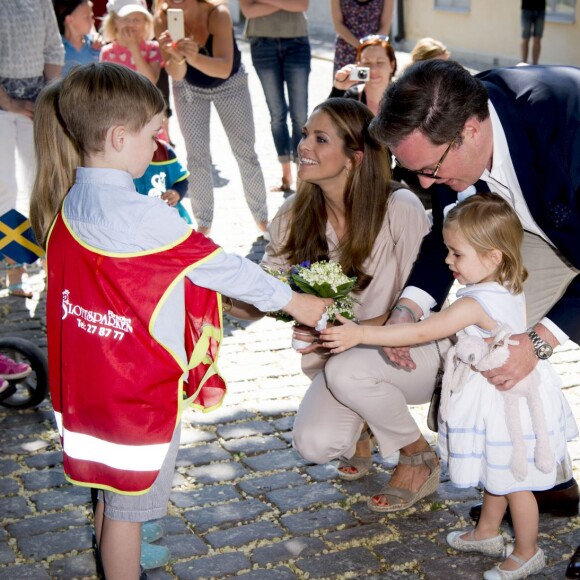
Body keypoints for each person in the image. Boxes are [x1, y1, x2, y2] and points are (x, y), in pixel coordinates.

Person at [29, 63, 330, 580]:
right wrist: (299, 303)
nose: (159, 142)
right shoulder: (147, 217)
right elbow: (227, 269)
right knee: (129, 511)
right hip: (135, 396)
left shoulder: (72, 199)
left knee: (111, 492)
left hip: (87, 389)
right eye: (153, 132)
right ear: (120, 137)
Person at [321, 193, 577, 580]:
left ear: (492, 257)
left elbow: (423, 329)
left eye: (457, 254)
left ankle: (527, 551)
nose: (447, 261)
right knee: (498, 467)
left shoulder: (475, 304)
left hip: (501, 397)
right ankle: (488, 531)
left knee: (515, 482)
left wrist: (359, 334)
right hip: (504, 390)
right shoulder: (506, 282)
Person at [369, 60, 580, 515]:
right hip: (532, 228)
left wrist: (540, 342)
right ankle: (548, 481)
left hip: (565, 207)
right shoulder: (448, 120)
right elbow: (447, 231)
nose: (425, 184)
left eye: (429, 168)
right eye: (413, 174)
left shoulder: (565, 126)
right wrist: (408, 308)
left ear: (470, 131)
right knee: (496, 349)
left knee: (529, 348)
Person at [229, 98, 431, 486]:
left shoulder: (399, 207)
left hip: (410, 351)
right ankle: (363, 427)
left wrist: (356, 333)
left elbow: (425, 299)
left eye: (320, 139)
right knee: (315, 443)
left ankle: (417, 454)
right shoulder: (292, 214)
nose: (303, 146)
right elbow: (261, 298)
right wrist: (218, 295)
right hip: (335, 361)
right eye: (306, 134)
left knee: (347, 365)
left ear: (355, 157)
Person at [154, 0, 269, 237]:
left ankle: (263, 220)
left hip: (230, 84)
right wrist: (177, 57)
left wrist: (192, 56)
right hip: (188, 87)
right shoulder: (162, 18)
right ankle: (203, 226)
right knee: (197, 157)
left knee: (245, 151)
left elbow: (224, 68)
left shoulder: (218, 13)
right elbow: (176, 73)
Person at [0, 0, 64, 297]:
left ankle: (54, 266)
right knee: (5, 189)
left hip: (35, 106)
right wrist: (10, 103)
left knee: (41, 187)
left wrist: (47, 96)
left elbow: (53, 47)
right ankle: (13, 271)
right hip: (2, 107)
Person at [240, 0, 311, 193]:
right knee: (277, 114)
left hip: (297, 41)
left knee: (300, 115)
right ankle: (286, 174)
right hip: (262, 44)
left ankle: (301, 175)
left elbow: (302, 5)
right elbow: (248, 10)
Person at [329, 35, 397, 115]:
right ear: (359, 65)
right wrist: (338, 89)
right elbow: (323, 121)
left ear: (392, 65)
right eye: (367, 63)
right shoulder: (351, 97)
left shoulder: (405, 98)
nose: (373, 69)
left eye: (380, 62)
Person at [100, 0, 162, 84]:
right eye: (125, 19)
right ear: (114, 22)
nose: (131, 24)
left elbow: (151, 81)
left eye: (137, 20)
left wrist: (134, 48)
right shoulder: (107, 52)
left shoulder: (153, 48)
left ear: (145, 22)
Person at [133, 137, 193, 224]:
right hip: (137, 220)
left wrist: (176, 193)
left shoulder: (165, 151)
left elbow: (182, 179)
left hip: (167, 217)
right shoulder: (121, 154)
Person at [331, 0, 394, 73]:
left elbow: (385, 26)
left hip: (375, 53)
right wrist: (361, 47)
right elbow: (338, 25)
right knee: (344, 81)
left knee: (376, 81)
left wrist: (372, 46)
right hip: (346, 50)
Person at [53, 0, 103, 76]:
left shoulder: (96, 46)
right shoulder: (56, 50)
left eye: (91, 16)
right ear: (69, 20)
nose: (92, 21)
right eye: (87, 17)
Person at [520, 0, 546, 65]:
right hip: (526, 8)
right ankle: (523, 64)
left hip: (540, 8)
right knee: (525, 38)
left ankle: (535, 66)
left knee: (537, 39)